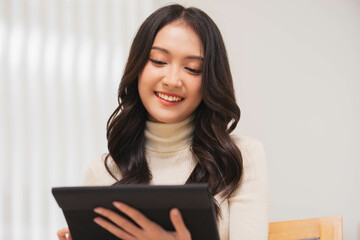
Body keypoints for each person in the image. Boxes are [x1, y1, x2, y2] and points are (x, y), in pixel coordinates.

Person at [57, 4, 268, 240]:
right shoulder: (102, 172)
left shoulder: (241, 158)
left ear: (210, 79)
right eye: (158, 61)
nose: (172, 80)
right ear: (137, 68)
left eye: (192, 68)